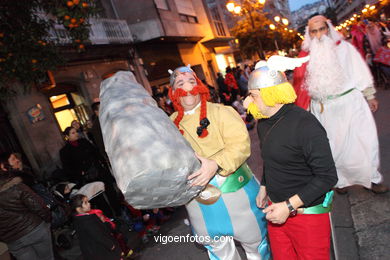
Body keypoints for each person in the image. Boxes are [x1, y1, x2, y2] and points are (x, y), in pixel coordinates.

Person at [168, 66, 269, 260]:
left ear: (200, 86)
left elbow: (240, 145)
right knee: (220, 253)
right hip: (198, 204)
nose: (187, 88)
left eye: (191, 81)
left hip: (237, 194)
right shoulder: (169, 125)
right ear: (173, 93)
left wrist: (215, 164)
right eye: (180, 83)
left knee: (257, 246)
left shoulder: (222, 112)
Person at [243, 58, 338, 259]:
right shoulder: (263, 123)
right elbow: (271, 160)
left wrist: (289, 206)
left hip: (307, 215)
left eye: (253, 95)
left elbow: (327, 177)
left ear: (271, 94)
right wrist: (264, 187)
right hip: (275, 213)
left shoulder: (305, 124)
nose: (248, 102)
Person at [293, 15, 388, 194]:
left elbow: (359, 70)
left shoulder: (344, 48)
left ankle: (372, 179)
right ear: (309, 34)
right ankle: (340, 181)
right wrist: (304, 111)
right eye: (314, 31)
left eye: (322, 29)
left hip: (351, 103)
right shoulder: (305, 56)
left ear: (328, 29)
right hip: (324, 110)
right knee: (333, 148)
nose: (319, 34)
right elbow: (301, 87)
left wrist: (369, 95)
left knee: (364, 141)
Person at [59, 127, 122, 217]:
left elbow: (96, 153)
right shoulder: (64, 151)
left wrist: (103, 164)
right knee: (98, 197)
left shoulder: (84, 142)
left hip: (99, 171)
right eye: (73, 133)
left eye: (76, 132)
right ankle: (108, 216)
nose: (76, 134)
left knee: (110, 192)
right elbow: (67, 168)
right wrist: (80, 173)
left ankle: (119, 213)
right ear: (67, 136)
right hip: (87, 177)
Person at [0, 172, 54, 260]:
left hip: (13, 240)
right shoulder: (16, 187)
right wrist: (48, 220)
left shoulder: (16, 187)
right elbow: (38, 205)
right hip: (35, 229)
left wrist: (5, 237)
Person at [70, 194, 121, 260]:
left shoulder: (79, 219)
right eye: (86, 203)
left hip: (93, 250)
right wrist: (110, 245)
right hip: (100, 249)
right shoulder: (86, 220)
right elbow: (98, 235)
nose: (89, 204)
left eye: (88, 201)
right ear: (79, 209)